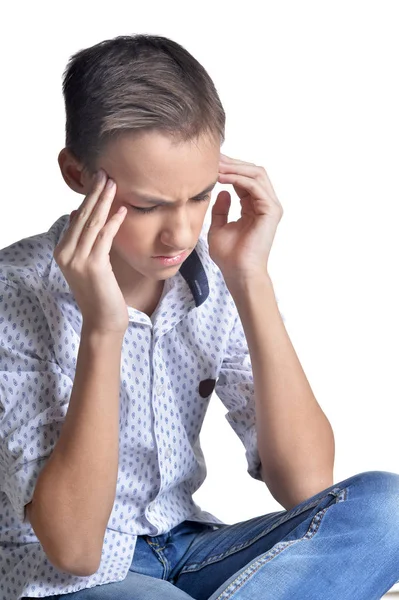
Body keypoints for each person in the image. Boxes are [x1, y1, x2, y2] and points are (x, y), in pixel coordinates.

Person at [0, 34, 398, 600]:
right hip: (64, 574)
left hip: (190, 544)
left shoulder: (211, 271)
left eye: (200, 196)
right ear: (77, 174)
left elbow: (306, 486)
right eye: (146, 205)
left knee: (390, 510)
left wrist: (249, 278)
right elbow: (75, 548)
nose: (182, 233)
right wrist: (103, 329)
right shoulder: (14, 292)